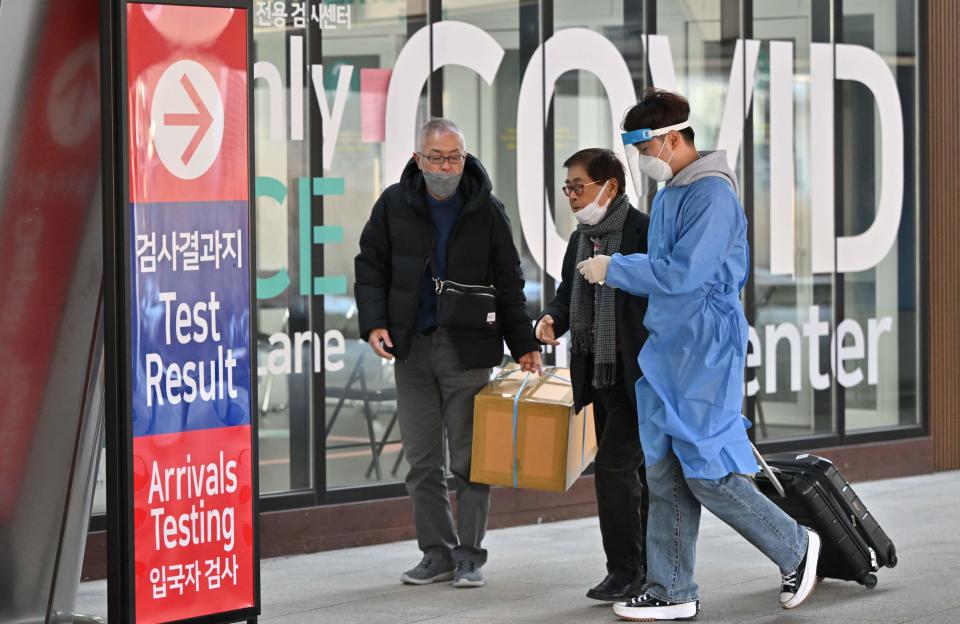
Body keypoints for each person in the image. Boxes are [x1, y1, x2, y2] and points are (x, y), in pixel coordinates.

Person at [577, 89, 821, 621]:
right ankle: (672, 588)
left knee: (707, 470)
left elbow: (686, 274)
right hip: (668, 344)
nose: (641, 159)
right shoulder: (671, 192)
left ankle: (797, 546)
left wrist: (616, 268)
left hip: (705, 346)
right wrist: (622, 264)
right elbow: (666, 264)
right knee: (663, 470)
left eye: (643, 147)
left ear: (670, 138)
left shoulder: (712, 194)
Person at [355, 118, 542, 589]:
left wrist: (523, 346)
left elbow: (510, 284)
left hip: (468, 350)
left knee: (470, 459)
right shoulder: (394, 204)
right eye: (436, 158)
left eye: (454, 157)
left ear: (465, 156)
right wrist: (374, 322)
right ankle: (436, 553)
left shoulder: (487, 210)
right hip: (412, 348)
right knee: (421, 461)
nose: (445, 166)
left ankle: (470, 556)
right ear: (418, 158)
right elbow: (369, 266)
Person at [535, 148, 650, 602]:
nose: (571, 196)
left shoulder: (643, 232)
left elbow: (659, 290)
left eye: (578, 186)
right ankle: (644, 567)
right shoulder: (582, 238)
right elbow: (569, 292)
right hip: (600, 374)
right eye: (567, 188)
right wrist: (550, 320)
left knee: (614, 469)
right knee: (631, 475)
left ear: (610, 187)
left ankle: (625, 571)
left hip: (639, 376)